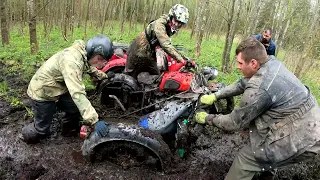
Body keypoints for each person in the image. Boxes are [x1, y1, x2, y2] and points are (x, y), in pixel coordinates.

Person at [194, 37, 320, 180]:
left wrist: (207, 118)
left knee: (246, 159)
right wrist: (216, 95)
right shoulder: (271, 63)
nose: (238, 66)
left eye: (240, 63)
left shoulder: (260, 88)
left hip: (304, 137)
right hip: (312, 123)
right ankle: (266, 172)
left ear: (253, 63)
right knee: (265, 150)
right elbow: (243, 83)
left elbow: (234, 122)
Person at [21, 35, 115, 144]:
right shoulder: (72, 61)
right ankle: (26, 133)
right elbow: (77, 93)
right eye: (100, 59)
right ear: (93, 52)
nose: (101, 62)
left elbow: (89, 67)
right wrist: (95, 121)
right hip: (43, 91)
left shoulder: (83, 55)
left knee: (74, 109)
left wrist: (104, 76)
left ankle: (68, 131)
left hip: (59, 88)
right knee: (42, 130)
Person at [125, 4, 189, 79]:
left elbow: (168, 44)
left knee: (157, 75)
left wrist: (184, 59)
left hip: (150, 52)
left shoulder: (171, 26)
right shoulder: (160, 24)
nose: (176, 24)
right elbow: (166, 45)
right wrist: (182, 60)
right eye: (176, 21)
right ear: (171, 16)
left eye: (180, 23)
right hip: (138, 50)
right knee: (129, 75)